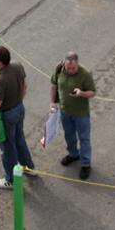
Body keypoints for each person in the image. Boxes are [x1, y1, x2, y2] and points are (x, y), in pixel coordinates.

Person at [0, 45, 36, 189]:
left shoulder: (0, 81)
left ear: (0, 62)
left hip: (7, 115)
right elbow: (24, 87)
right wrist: (18, 101)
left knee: (8, 148)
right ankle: (29, 168)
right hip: (19, 109)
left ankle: (11, 180)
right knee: (20, 139)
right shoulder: (17, 66)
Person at [50, 51, 96, 179]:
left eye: (73, 68)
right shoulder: (59, 68)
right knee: (69, 135)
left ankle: (86, 164)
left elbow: (92, 92)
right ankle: (73, 154)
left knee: (84, 138)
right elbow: (54, 84)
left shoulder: (85, 74)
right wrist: (53, 102)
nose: (70, 70)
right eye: (68, 68)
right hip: (65, 111)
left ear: (78, 64)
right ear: (64, 63)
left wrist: (81, 93)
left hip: (81, 113)